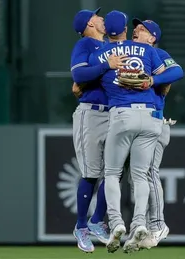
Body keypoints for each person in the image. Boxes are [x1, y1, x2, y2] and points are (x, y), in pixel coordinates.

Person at [88, 10, 165, 254]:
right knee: (141, 176)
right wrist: (152, 82)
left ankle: (116, 222)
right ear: (124, 29)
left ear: (105, 31)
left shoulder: (101, 53)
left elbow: (83, 78)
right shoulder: (148, 50)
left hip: (122, 115)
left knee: (111, 173)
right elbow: (170, 75)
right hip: (151, 117)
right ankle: (140, 222)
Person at [70, 7, 127, 253]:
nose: (101, 17)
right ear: (89, 24)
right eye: (97, 16)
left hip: (114, 113)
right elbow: (78, 73)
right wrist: (106, 64)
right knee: (91, 173)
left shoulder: (110, 46)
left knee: (113, 172)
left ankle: (96, 221)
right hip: (91, 112)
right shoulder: (85, 45)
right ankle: (81, 226)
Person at [129, 18, 184, 249]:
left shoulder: (156, 53)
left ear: (152, 38)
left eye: (142, 30)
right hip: (135, 122)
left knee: (149, 172)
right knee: (136, 178)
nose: (136, 31)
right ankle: (141, 226)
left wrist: (153, 80)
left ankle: (158, 224)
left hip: (155, 122)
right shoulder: (131, 55)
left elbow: (177, 71)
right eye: (135, 28)